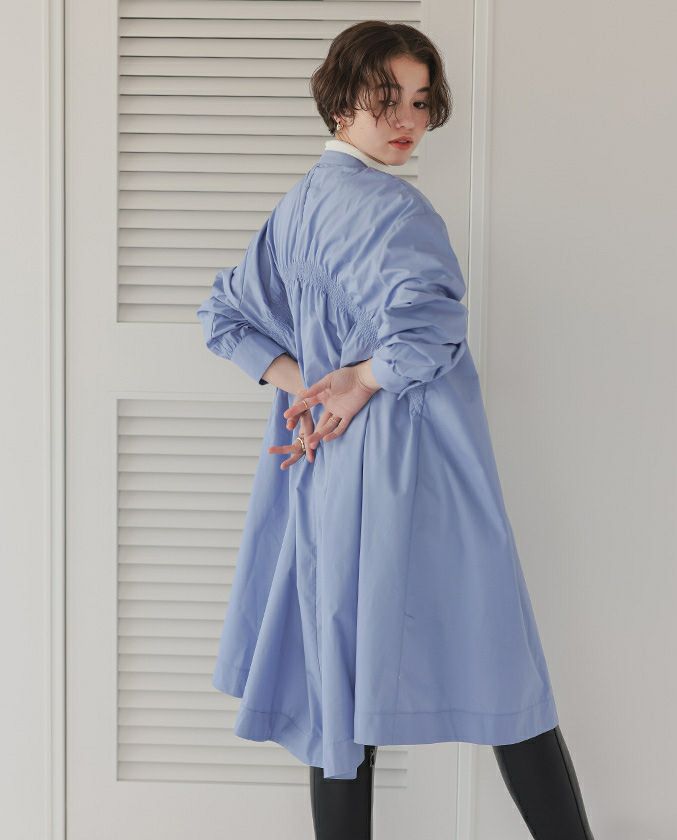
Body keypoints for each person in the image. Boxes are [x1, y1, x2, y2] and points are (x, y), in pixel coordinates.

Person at [196, 20, 596, 840]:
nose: (407, 119)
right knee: (505, 672)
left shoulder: (299, 207)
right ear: (340, 100)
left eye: (420, 100)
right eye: (387, 99)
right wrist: (358, 381)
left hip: (324, 476)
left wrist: (315, 386)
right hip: (418, 469)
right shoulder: (391, 207)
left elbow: (224, 316)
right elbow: (430, 332)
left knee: (337, 689)